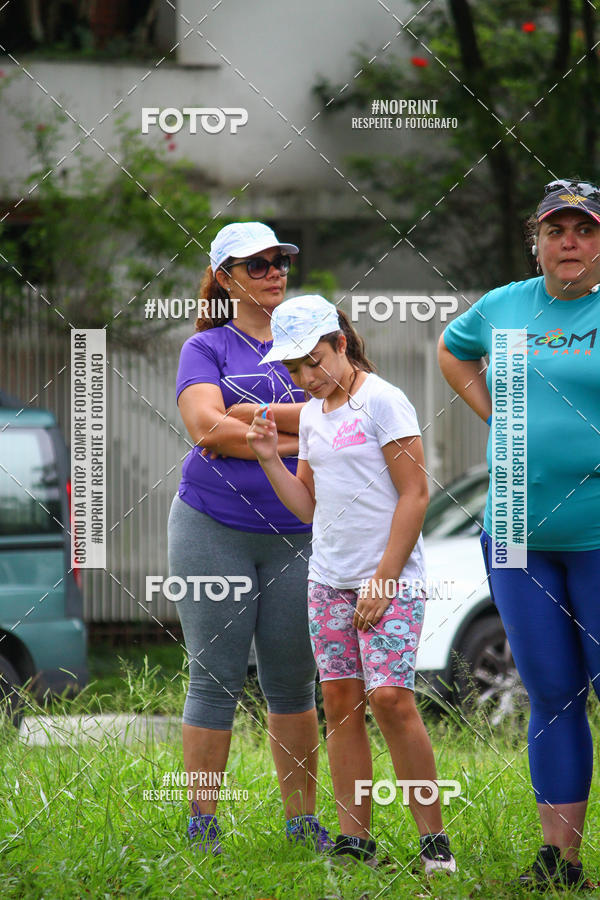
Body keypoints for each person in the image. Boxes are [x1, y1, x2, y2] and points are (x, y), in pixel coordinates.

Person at [246, 293, 457, 873]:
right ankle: (355, 838)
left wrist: (384, 580)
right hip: (328, 580)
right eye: (293, 368)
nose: (305, 377)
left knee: (389, 698)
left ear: (340, 343)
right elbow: (308, 508)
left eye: (314, 360)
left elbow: (415, 493)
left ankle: (433, 842)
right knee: (339, 700)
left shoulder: (384, 401)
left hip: (388, 580)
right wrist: (269, 458)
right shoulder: (312, 415)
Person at [438, 179, 600, 890]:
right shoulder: (504, 307)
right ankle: (559, 858)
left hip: (596, 535)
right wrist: (493, 412)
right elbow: (451, 348)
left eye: (585, 229)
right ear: (535, 239)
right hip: (512, 534)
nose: (570, 241)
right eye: (556, 229)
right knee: (553, 691)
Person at [169, 222, 332, 854]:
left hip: (299, 531)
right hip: (213, 526)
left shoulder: (313, 339)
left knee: (293, 683)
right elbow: (206, 429)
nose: (272, 272)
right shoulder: (206, 347)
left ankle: (302, 821)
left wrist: (255, 421)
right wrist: (301, 433)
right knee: (214, 678)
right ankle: (203, 822)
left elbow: (346, 414)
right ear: (226, 278)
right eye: (256, 264)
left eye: (279, 261)